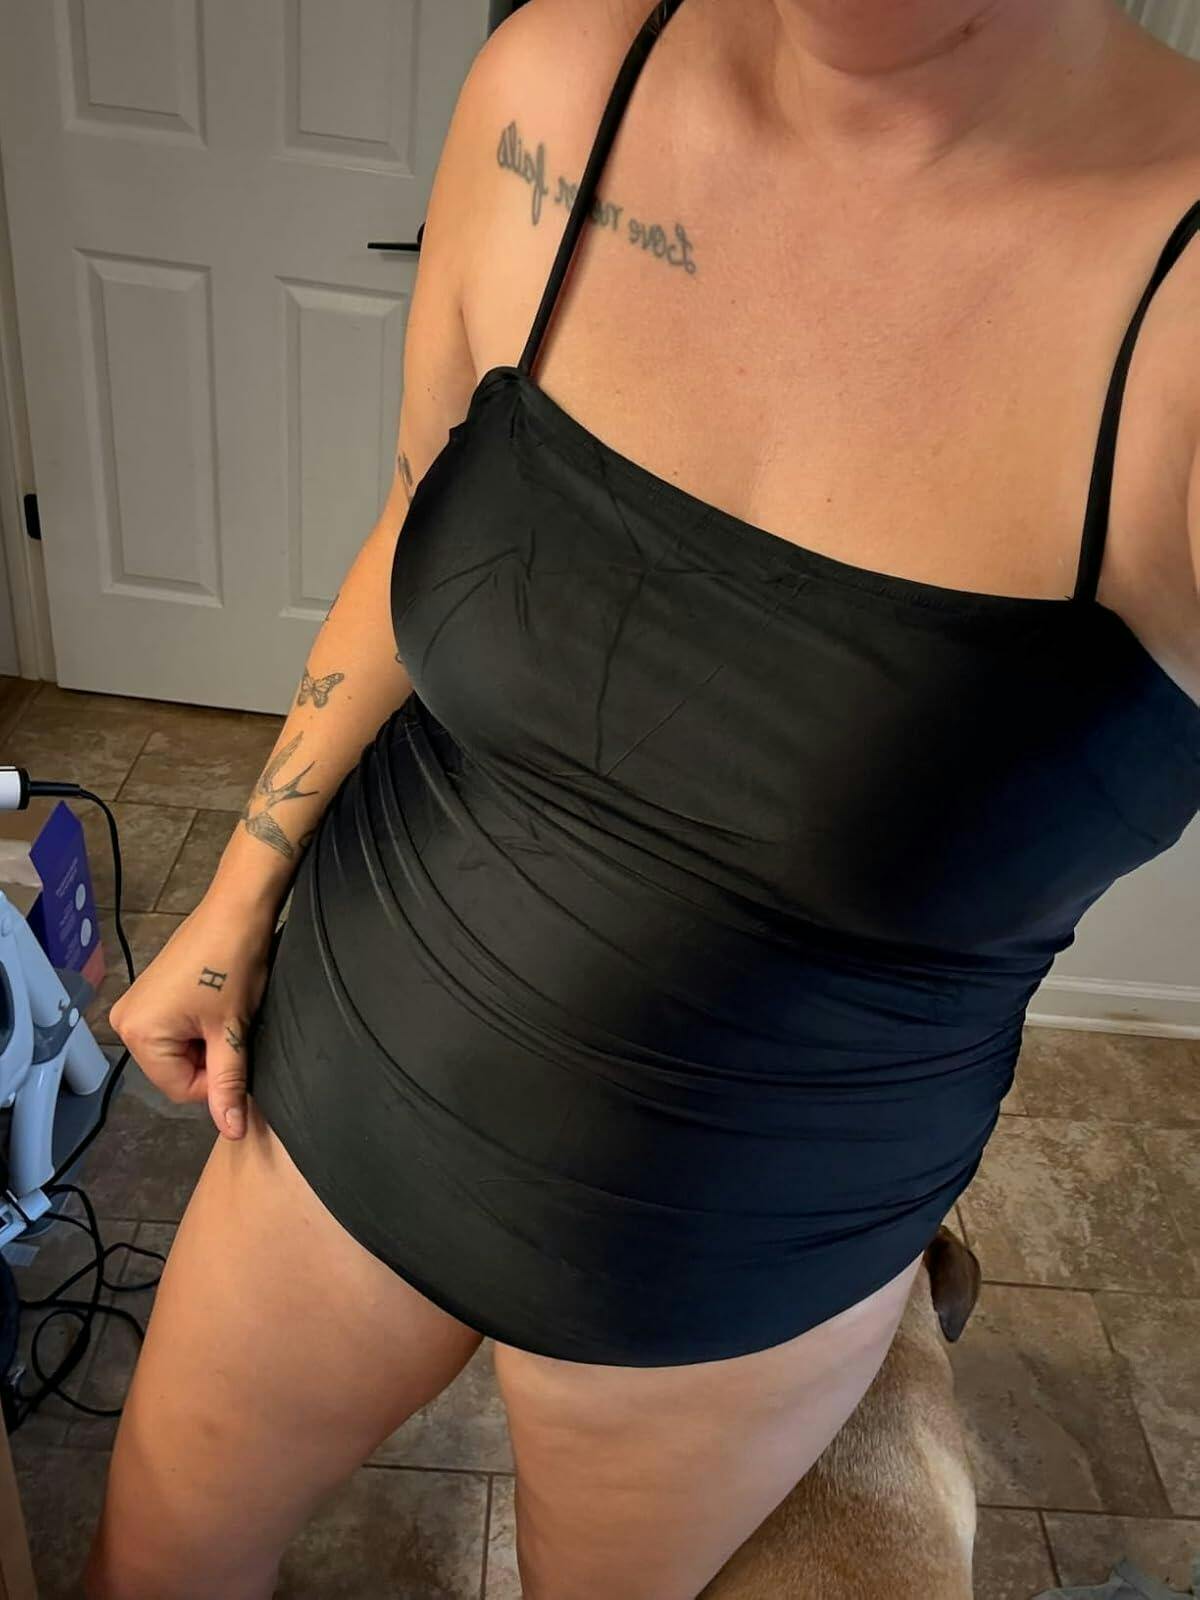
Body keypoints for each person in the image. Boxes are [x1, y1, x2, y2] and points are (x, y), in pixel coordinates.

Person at [85, 1, 1200, 1596]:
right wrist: (239, 891)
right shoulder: (561, 83)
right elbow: (420, 508)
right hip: (352, 1070)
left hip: (728, 1243)